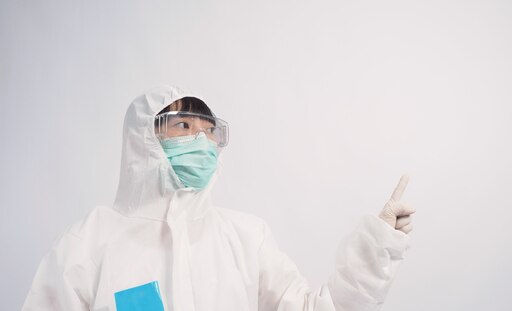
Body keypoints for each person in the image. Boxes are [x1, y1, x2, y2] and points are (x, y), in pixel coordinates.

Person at [22, 85, 416, 311]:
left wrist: (377, 248)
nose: (201, 140)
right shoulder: (87, 246)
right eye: (183, 125)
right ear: (143, 138)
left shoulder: (246, 238)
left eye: (210, 131)